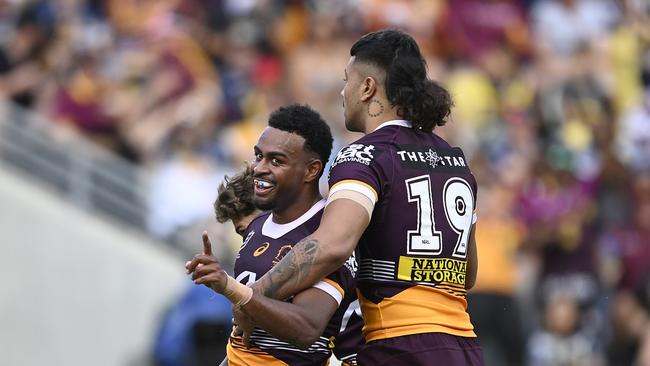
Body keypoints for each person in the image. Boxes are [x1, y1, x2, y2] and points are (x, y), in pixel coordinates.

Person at [231, 29, 484, 365]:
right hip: (463, 347)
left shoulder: (364, 155)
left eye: (346, 79)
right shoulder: (454, 160)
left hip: (399, 348)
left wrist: (252, 298)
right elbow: (466, 275)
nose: (342, 91)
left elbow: (330, 246)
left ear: (367, 87)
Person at [187, 104, 363, 365]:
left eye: (276, 160)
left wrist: (230, 288)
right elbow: (244, 340)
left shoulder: (326, 233)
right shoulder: (258, 226)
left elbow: (306, 328)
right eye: (259, 156)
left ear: (312, 170)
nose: (259, 168)